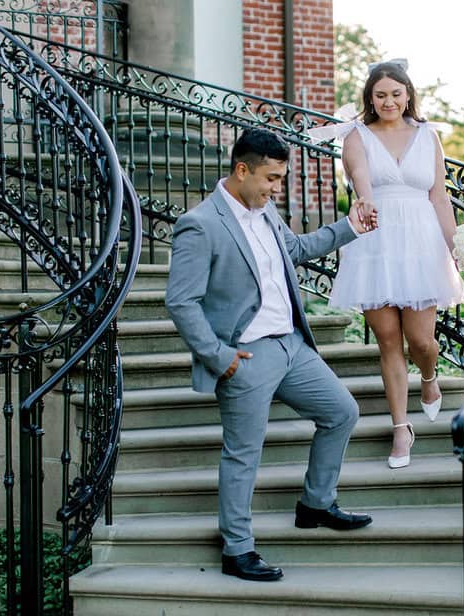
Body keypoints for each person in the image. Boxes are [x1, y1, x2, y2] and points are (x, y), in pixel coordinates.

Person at [165, 127, 377, 583]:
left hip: (292, 345)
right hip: (246, 356)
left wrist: (350, 228)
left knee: (341, 412)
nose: (276, 188)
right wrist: (219, 356)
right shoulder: (200, 225)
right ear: (242, 170)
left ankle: (316, 504)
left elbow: (296, 250)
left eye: (280, 180)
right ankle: (237, 549)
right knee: (243, 453)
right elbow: (181, 302)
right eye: (272, 179)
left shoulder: (265, 213)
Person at [327, 60, 464, 469]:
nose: (388, 101)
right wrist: (365, 201)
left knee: (422, 341)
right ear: (370, 99)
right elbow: (360, 178)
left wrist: (457, 245)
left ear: (408, 94)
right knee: (388, 338)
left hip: (422, 242)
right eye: (380, 95)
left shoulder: (429, 136)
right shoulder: (357, 135)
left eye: (395, 93)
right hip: (377, 240)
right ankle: (401, 430)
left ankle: (428, 379)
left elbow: (439, 197)